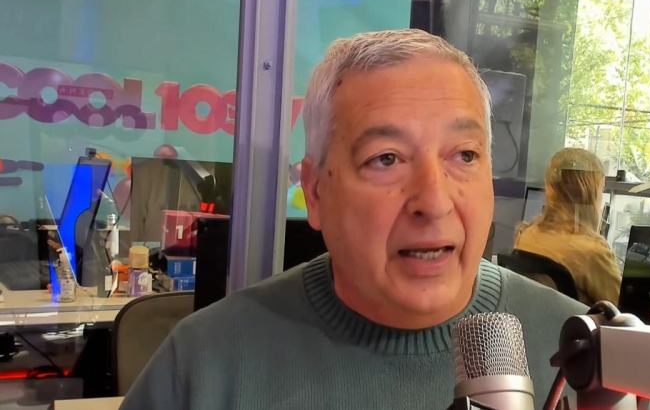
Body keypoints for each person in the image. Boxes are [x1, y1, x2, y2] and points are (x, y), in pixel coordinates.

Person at [120, 29, 586, 410]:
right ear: (315, 192)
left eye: (464, 155)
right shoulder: (204, 367)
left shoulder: (585, 354)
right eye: (386, 159)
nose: (434, 201)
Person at [515, 148, 621, 306]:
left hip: (537, 320)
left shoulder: (527, 234)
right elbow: (627, 312)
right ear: (588, 195)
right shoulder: (592, 252)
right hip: (573, 323)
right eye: (601, 189)